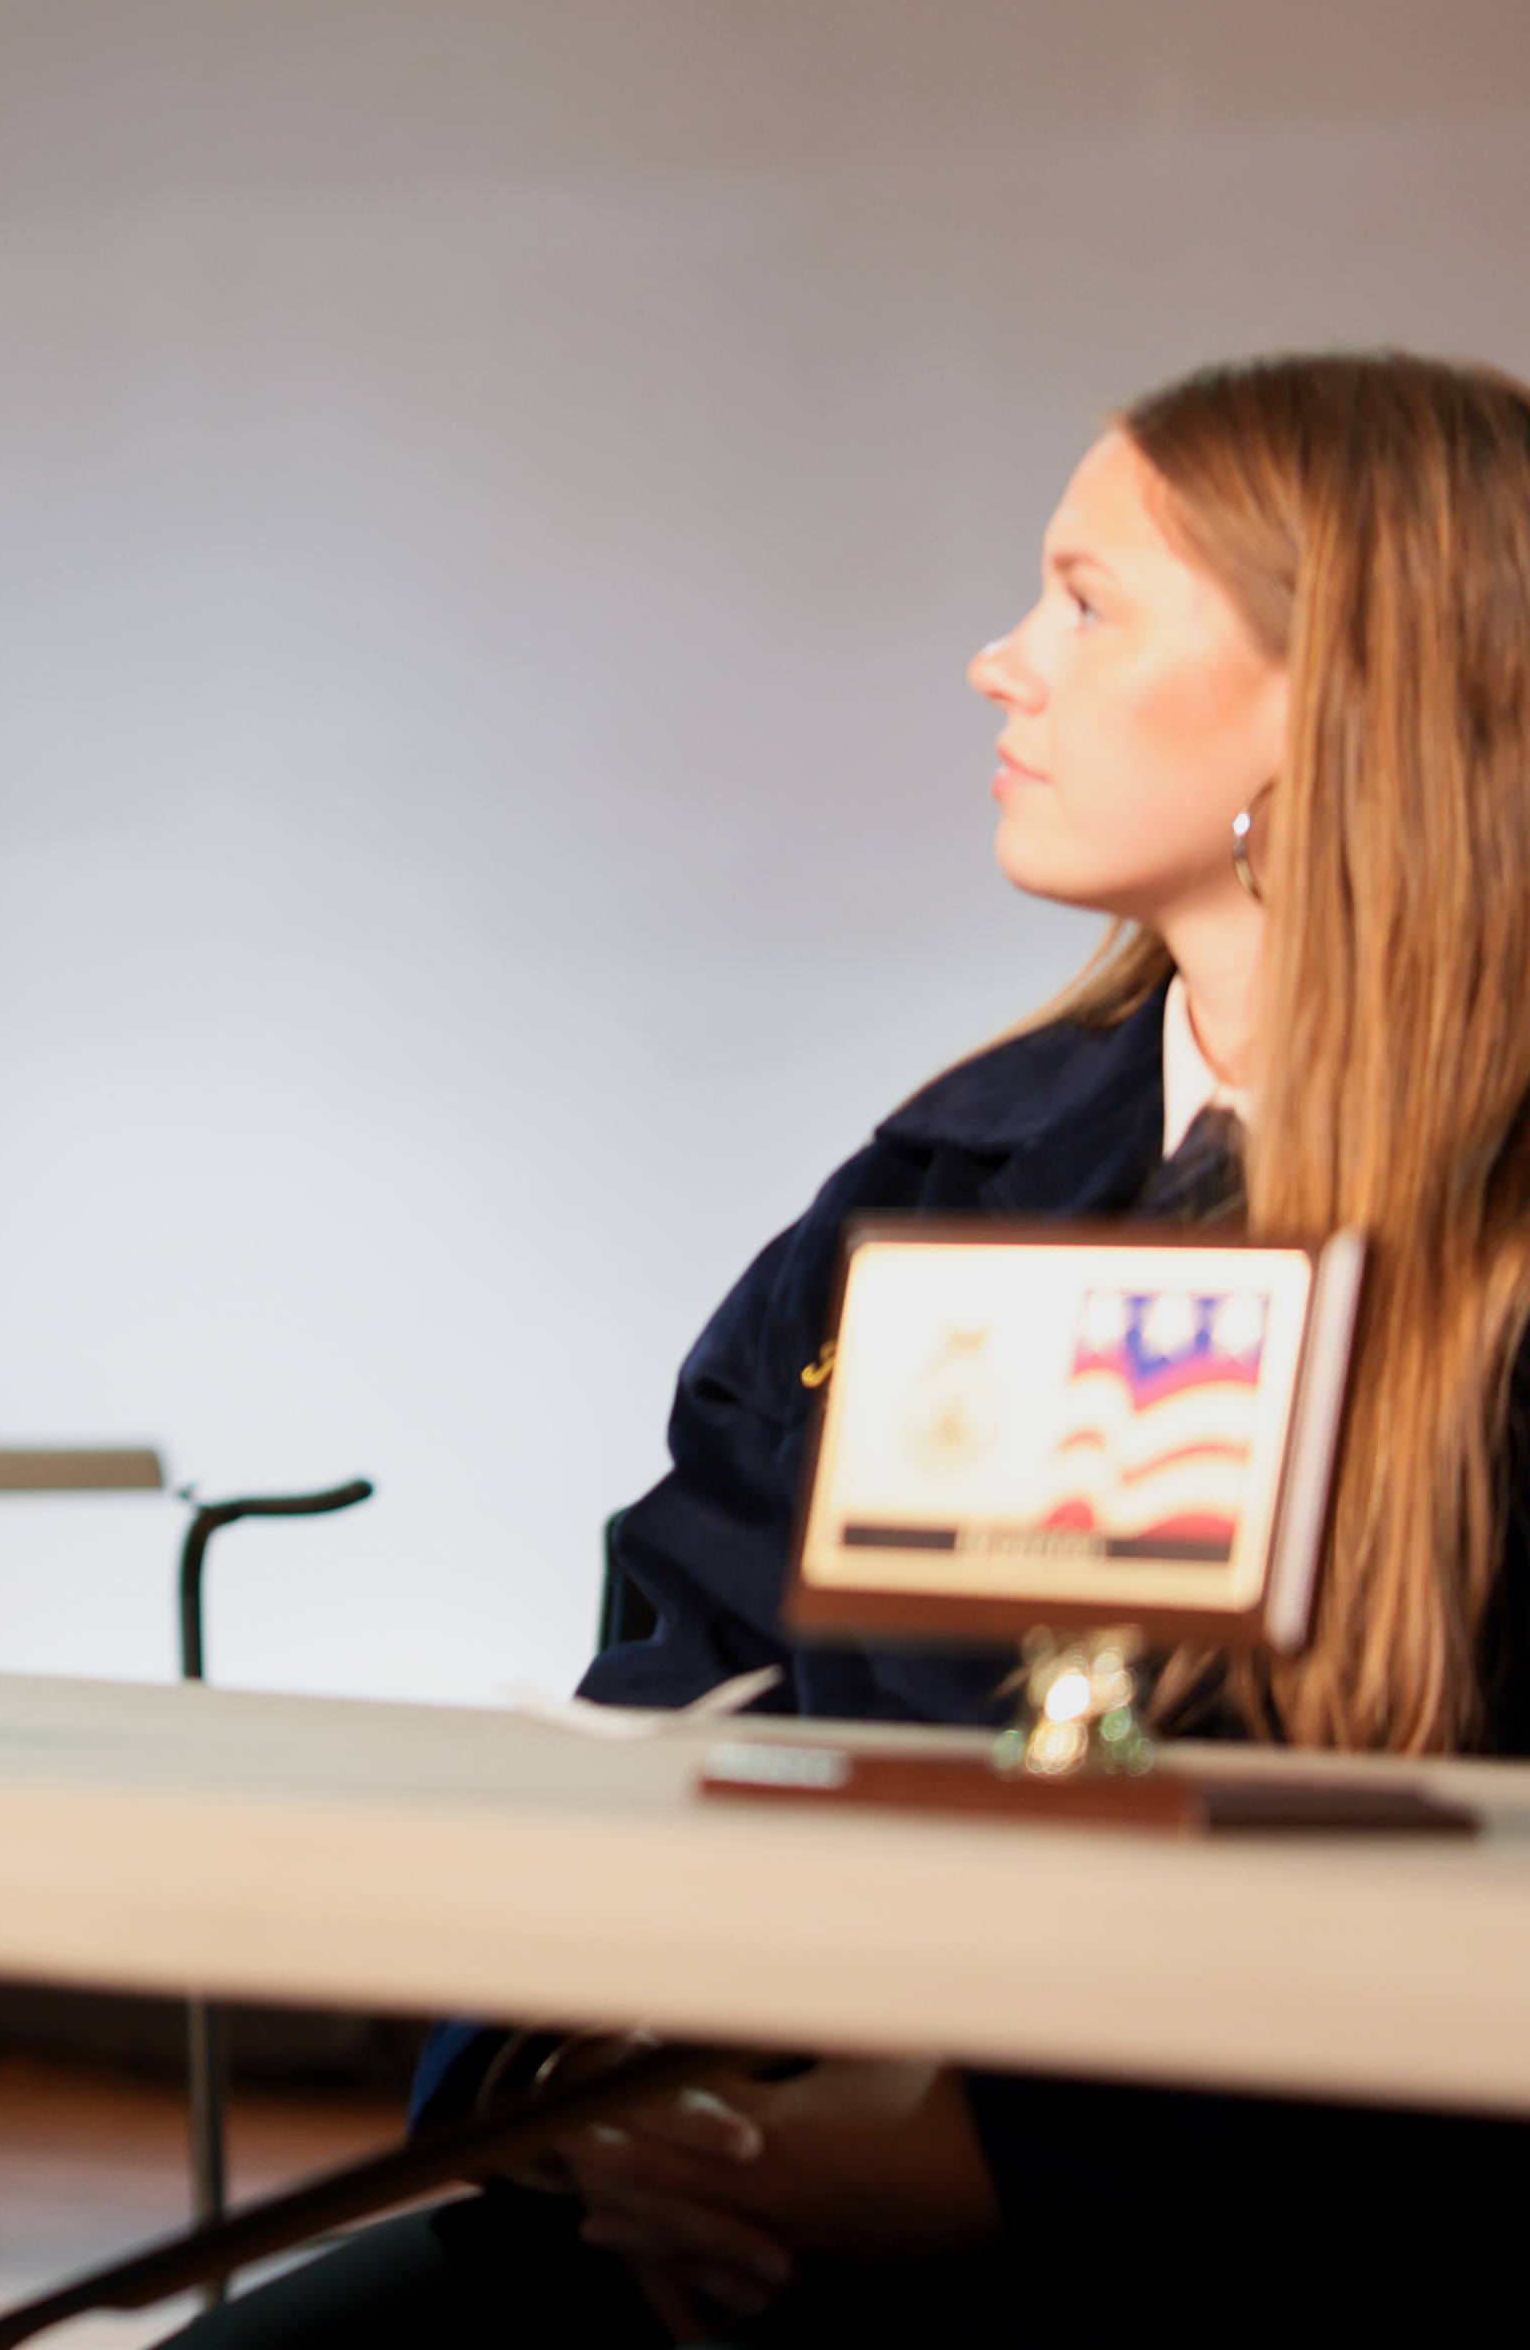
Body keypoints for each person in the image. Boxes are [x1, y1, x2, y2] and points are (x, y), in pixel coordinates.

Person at [189, 353, 1530, 2342]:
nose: (1004, 658)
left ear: (1336, 697)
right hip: (740, 2184)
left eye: (1087, 598)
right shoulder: (940, 1176)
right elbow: (674, 1667)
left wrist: (1013, 2181)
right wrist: (603, 2090)